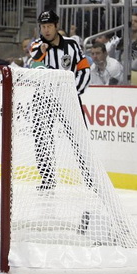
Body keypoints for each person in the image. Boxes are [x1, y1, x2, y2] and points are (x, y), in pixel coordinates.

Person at [29, 10, 91, 190]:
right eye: (43, 26)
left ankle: (89, 176)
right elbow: (33, 69)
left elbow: (84, 69)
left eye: (49, 26)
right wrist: (41, 53)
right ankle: (47, 178)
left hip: (69, 99)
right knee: (42, 138)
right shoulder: (36, 46)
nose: (46, 30)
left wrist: (73, 92)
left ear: (57, 26)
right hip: (43, 99)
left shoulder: (72, 45)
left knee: (80, 138)